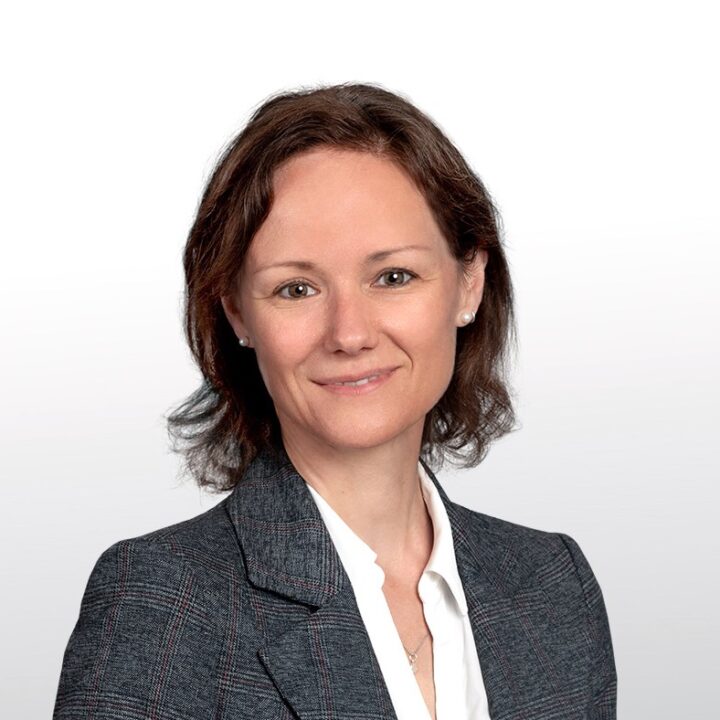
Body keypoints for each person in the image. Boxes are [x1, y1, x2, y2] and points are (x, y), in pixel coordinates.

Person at [53, 83, 617, 720]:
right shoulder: (162, 600)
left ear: (469, 283)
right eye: (296, 288)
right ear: (236, 311)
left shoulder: (552, 587)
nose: (349, 334)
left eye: (393, 277)